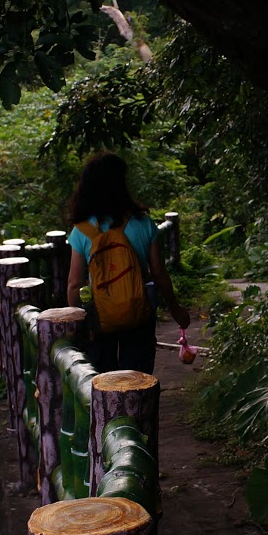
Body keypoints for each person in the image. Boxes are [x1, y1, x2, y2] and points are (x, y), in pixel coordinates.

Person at [65, 152, 190, 373]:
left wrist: (78, 326)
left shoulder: (82, 230)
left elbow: (74, 284)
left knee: (103, 380)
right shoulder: (143, 223)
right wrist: (175, 309)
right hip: (138, 312)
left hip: (100, 316)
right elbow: (159, 273)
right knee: (138, 378)